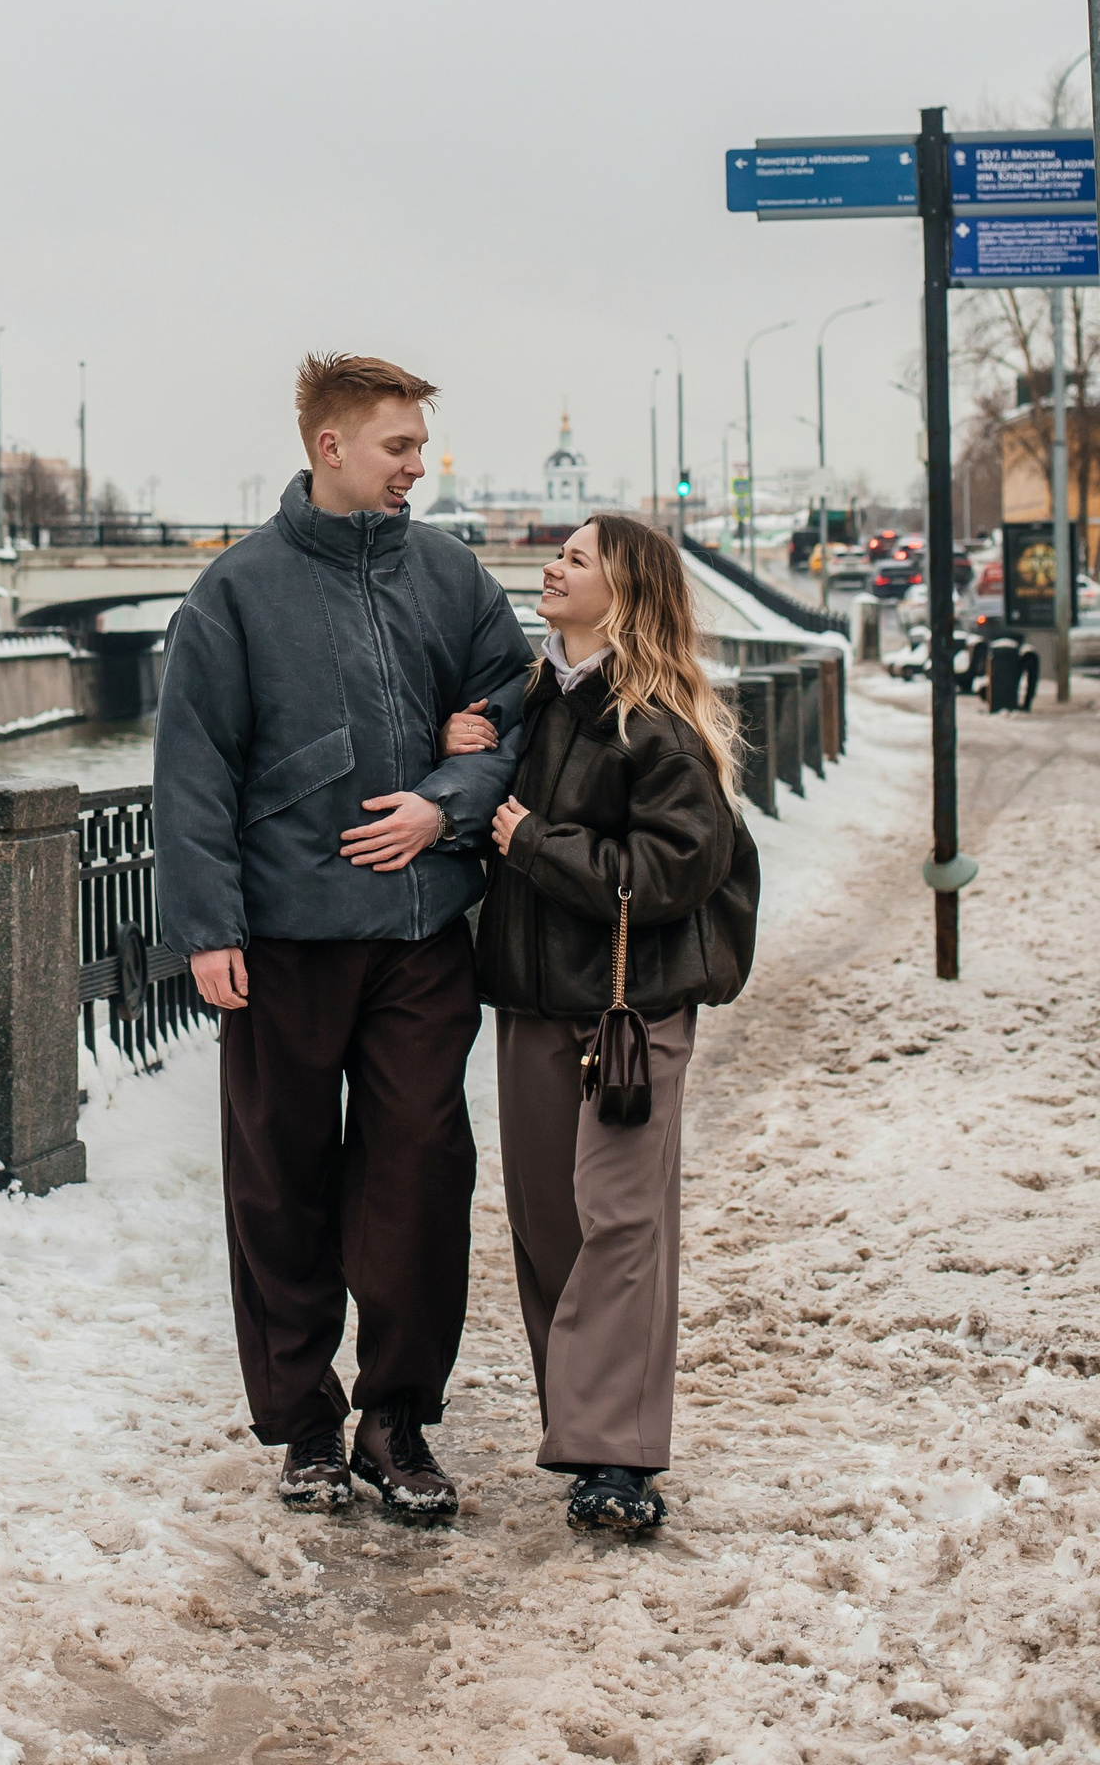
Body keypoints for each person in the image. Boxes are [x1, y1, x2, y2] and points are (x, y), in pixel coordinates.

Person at [152, 353, 533, 1517]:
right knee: (281, 1186)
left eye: (419, 446)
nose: (418, 466)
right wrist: (208, 926)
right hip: (285, 940)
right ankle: (305, 1426)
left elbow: (517, 712)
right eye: (398, 446)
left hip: (422, 934)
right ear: (332, 446)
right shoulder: (236, 591)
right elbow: (194, 771)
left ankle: (397, 1421)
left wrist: (445, 804)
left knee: (421, 1174)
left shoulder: (451, 575)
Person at [462, 512, 759, 1535]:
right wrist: (465, 746)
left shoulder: (659, 724)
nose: (552, 567)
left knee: (622, 1222)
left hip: (631, 1012)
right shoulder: (532, 699)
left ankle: (617, 1457)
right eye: (559, 553)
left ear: (622, 593)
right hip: (533, 999)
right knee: (548, 1222)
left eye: (576, 558)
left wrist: (536, 845)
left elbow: (675, 869)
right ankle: (583, 1427)